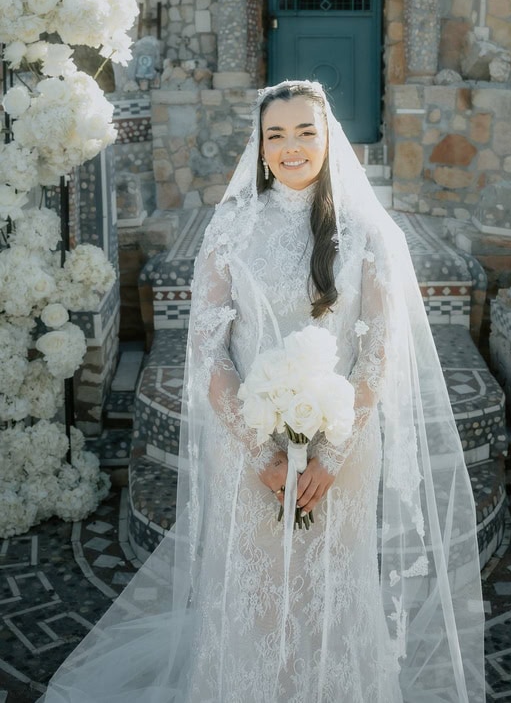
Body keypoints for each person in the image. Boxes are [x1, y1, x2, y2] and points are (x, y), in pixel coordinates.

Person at [42, 80, 485, 702]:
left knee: (330, 586)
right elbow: (208, 349)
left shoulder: (367, 231)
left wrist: (331, 455)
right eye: (275, 134)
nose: (291, 147)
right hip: (246, 443)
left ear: (329, 138)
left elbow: (379, 351)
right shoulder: (232, 225)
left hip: (342, 447)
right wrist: (260, 451)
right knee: (257, 588)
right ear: (260, 145)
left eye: (305, 132)